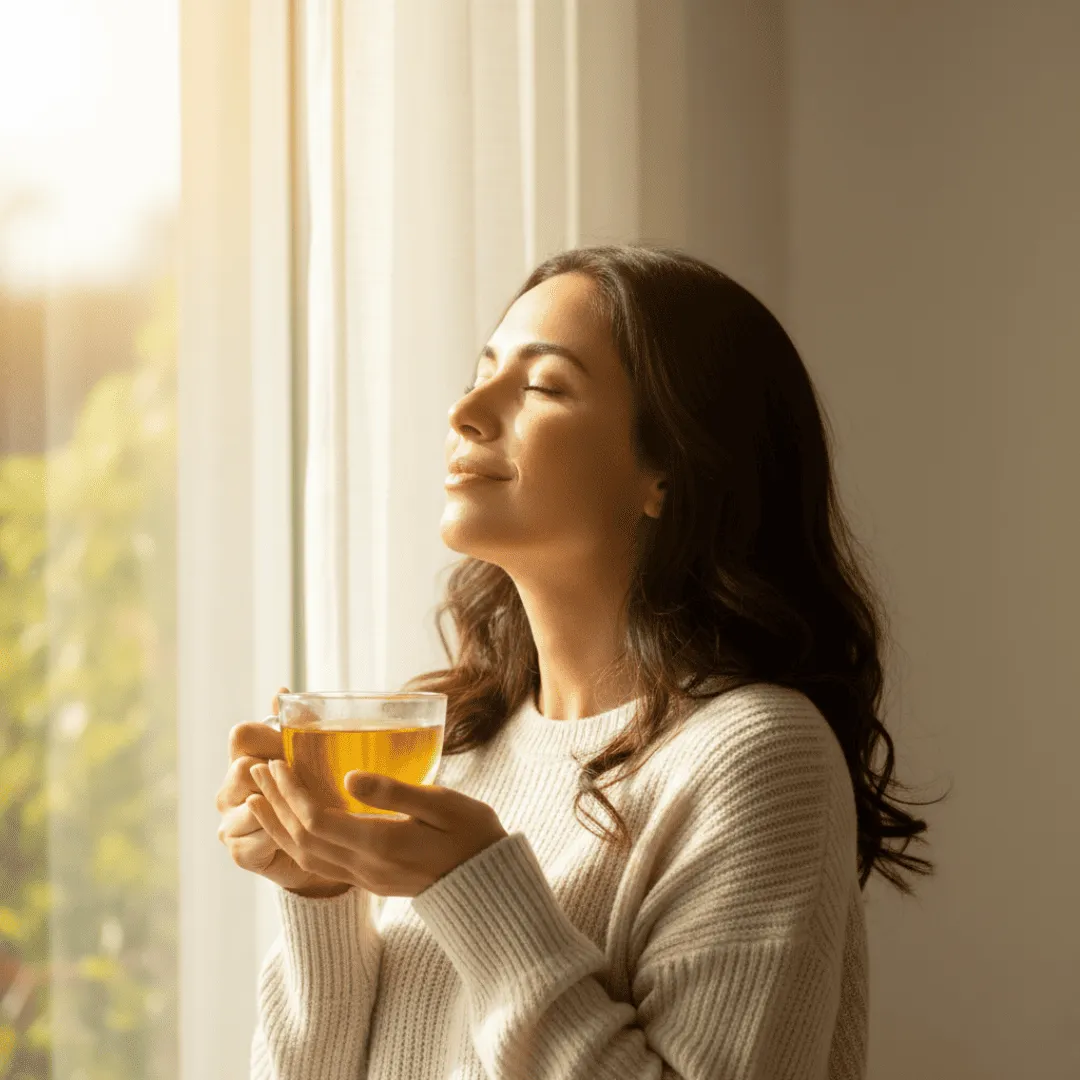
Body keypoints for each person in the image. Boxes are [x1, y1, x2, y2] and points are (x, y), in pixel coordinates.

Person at [217, 244, 941, 1079]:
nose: (468, 412)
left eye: (542, 387)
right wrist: (322, 893)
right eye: (481, 372)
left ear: (666, 474)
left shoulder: (755, 755)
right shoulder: (450, 751)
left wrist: (479, 887)